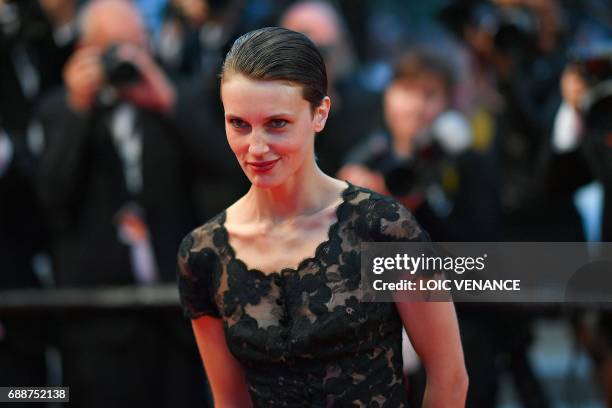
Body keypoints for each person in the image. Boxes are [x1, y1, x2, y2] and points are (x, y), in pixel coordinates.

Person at [176, 27, 468, 407]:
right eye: (239, 124)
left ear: (320, 114)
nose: (257, 147)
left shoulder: (381, 227)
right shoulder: (204, 253)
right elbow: (230, 400)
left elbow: (450, 380)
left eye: (277, 123)